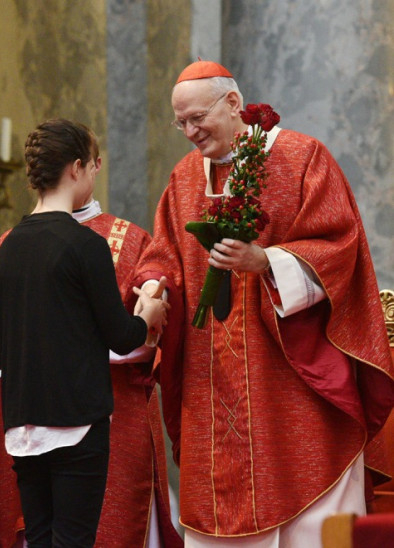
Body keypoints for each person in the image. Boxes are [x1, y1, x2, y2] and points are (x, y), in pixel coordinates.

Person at [132, 60, 394, 547]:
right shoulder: (184, 177)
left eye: (197, 119)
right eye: (180, 122)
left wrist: (266, 261)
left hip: (289, 382)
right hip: (209, 385)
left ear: (233, 103)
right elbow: (162, 254)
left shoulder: (302, 157)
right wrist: (152, 286)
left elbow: (340, 246)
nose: (189, 132)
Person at [0, 184, 181, 547]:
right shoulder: (74, 244)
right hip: (81, 412)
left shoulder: (129, 240)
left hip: (46, 412)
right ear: (80, 168)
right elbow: (125, 334)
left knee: (44, 533)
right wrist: (144, 319)